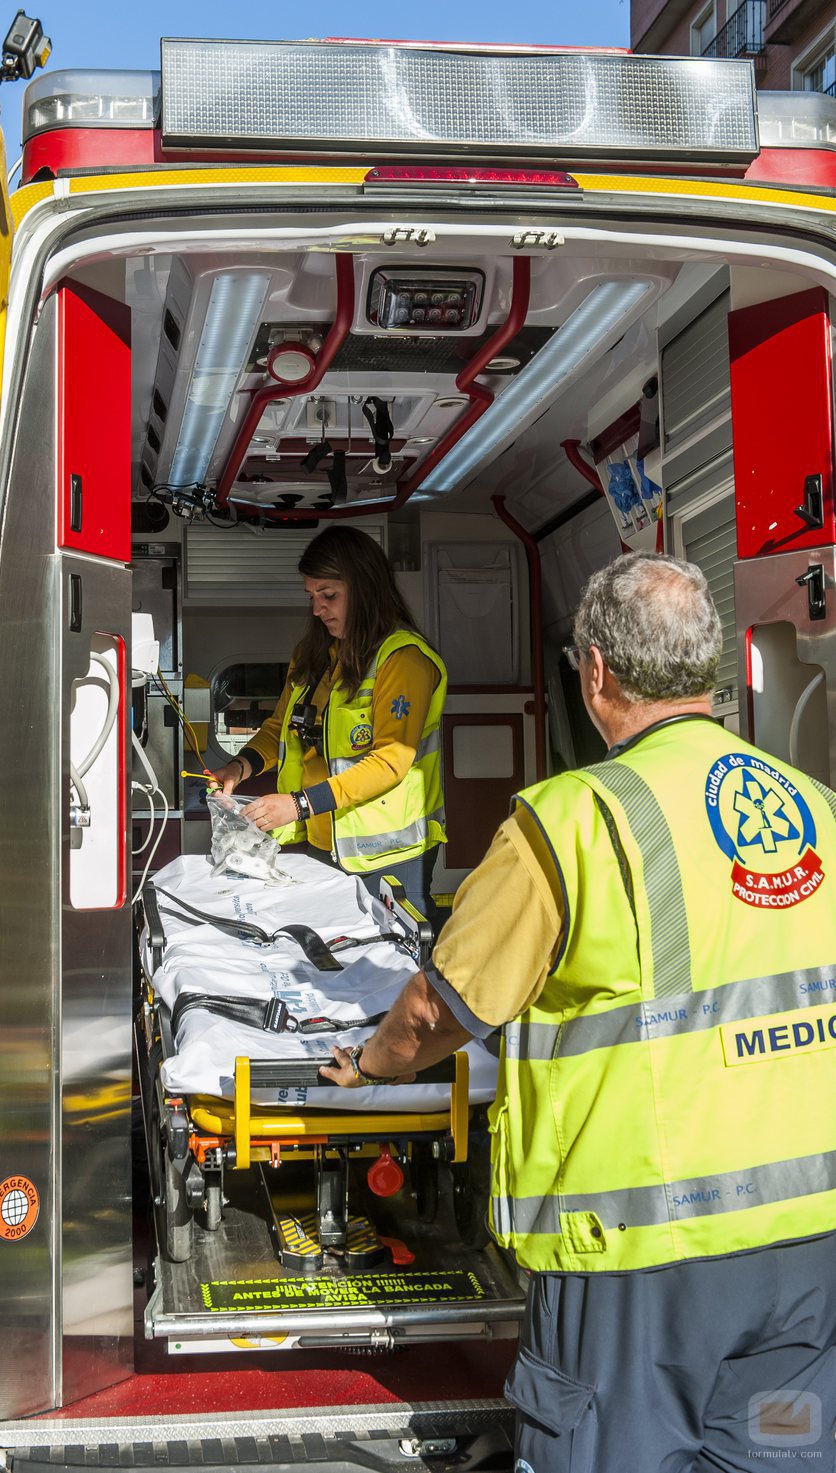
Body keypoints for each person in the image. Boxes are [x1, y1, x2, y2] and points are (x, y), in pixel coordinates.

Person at [319, 551, 836, 1472]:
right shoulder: (817, 810)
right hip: (808, 1256)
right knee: (778, 1452)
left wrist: (368, 1065)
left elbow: (440, 1009)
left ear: (595, 672)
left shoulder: (571, 822)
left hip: (642, 1262)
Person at [210, 526, 447, 921]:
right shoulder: (315, 654)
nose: (318, 609)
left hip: (389, 853)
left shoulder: (403, 660)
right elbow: (279, 729)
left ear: (365, 588)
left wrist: (299, 804)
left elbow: (391, 761)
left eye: (329, 595)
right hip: (325, 839)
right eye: (312, 597)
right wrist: (239, 766)